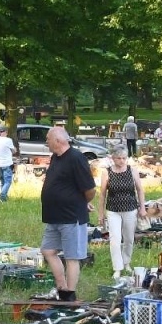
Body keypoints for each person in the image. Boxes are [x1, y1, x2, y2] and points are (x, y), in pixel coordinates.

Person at [40, 126, 96, 301]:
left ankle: (69, 295)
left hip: (71, 216)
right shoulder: (55, 158)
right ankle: (61, 287)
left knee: (72, 256)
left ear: (58, 140)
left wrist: (83, 202)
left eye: (48, 139)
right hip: (54, 216)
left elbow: (89, 189)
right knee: (48, 251)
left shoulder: (76, 158)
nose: (46, 142)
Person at [97, 144, 146, 281]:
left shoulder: (132, 170)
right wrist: (100, 214)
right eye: (118, 158)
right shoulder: (107, 172)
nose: (122, 161)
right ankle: (117, 268)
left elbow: (140, 190)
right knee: (115, 240)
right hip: (113, 209)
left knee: (129, 238)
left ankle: (126, 262)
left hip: (130, 208)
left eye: (124, 158)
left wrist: (142, 208)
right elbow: (102, 195)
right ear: (113, 158)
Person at [0, 123, 17, 202]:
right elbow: (13, 151)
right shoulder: (8, 140)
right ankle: (2, 196)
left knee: (2, 181)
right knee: (8, 181)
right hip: (7, 163)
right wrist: (15, 149)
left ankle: (4, 197)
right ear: (6, 132)